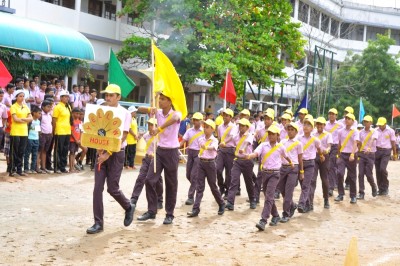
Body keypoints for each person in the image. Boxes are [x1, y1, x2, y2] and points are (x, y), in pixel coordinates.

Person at [86, 84, 135, 234]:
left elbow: (124, 135)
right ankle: (98, 223)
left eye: (111, 95)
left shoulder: (124, 113)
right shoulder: (100, 111)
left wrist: (107, 153)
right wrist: (98, 148)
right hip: (100, 153)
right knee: (97, 189)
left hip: (116, 153)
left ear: (118, 97)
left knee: (112, 188)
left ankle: (128, 206)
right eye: (106, 95)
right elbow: (93, 130)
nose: (108, 98)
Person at [136, 93, 182, 225]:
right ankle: (152, 210)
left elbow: (176, 118)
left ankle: (169, 214)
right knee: (150, 180)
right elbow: (140, 109)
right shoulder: (158, 112)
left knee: (171, 184)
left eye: (163, 99)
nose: (160, 101)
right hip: (160, 151)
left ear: (169, 101)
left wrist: (160, 128)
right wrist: (152, 103)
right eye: (159, 99)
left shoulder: (176, 113)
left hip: (172, 152)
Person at [246, 125, 293, 231]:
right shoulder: (263, 145)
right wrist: (249, 156)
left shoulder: (280, 146)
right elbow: (256, 153)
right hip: (265, 173)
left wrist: (291, 163)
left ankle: (263, 220)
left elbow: (286, 156)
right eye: (269, 134)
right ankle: (275, 215)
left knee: (268, 197)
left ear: (278, 135)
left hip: (275, 174)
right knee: (269, 196)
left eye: (273, 134)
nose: (270, 136)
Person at [187, 119, 225, 217]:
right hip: (201, 163)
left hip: (211, 164)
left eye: (208, 127)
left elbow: (214, 148)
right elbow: (201, 146)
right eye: (205, 127)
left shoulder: (214, 140)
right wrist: (204, 146)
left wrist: (206, 147)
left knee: (213, 186)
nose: (205, 129)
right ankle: (195, 209)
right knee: (200, 187)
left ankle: (221, 203)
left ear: (212, 129)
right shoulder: (200, 139)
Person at [130, 118, 164, 210]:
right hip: (147, 159)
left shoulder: (160, 137)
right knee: (141, 178)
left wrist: (155, 154)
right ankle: (134, 199)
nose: (150, 126)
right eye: (149, 124)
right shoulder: (146, 136)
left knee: (157, 181)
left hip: (157, 161)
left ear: (156, 126)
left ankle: (159, 200)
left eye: (151, 125)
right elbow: (142, 139)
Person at [225, 118, 256, 210]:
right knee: (234, 180)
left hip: (247, 161)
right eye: (240, 125)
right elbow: (233, 142)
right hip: (238, 160)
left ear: (247, 127)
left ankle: (252, 200)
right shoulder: (236, 136)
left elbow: (247, 143)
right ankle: (230, 202)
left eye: (243, 126)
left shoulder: (250, 135)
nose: (240, 127)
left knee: (248, 182)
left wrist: (243, 148)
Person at [275, 122, 303, 223]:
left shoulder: (298, 144)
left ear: (296, 132)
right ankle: (292, 205)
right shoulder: (282, 142)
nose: (290, 132)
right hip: (283, 167)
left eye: (292, 130)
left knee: (288, 192)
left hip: (293, 168)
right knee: (281, 188)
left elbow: (300, 159)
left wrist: (301, 171)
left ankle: (285, 214)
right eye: (289, 130)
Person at [297, 115, 324, 213]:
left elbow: (319, 148)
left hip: (310, 164)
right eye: (305, 124)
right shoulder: (299, 138)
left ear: (312, 128)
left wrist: (321, 155)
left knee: (306, 185)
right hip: (301, 163)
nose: (306, 126)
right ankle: (308, 204)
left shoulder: (315, 140)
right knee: (302, 184)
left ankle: (301, 204)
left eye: (309, 125)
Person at [334, 113, 360, 204]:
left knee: (352, 176)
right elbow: (339, 143)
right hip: (342, 154)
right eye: (346, 118)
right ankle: (340, 194)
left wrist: (352, 154)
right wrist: (338, 155)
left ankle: (353, 196)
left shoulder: (355, 131)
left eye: (349, 119)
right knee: (339, 173)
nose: (347, 120)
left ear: (353, 121)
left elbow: (355, 143)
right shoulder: (340, 131)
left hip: (351, 155)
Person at [180, 112, 204, 205]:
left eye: (197, 120)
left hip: (198, 154)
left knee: (194, 175)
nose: (195, 121)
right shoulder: (189, 131)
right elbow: (183, 140)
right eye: (194, 120)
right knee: (188, 175)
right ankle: (197, 186)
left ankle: (190, 197)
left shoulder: (203, 131)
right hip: (190, 153)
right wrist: (177, 146)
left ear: (201, 121)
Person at [9, 90, 33, 176]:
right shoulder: (13, 107)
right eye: (20, 96)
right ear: (16, 97)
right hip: (15, 131)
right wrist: (25, 119)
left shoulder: (26, 107)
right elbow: (15, 119)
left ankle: (19, 169)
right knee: (14, 151)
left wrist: (22, 119)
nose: (22, 98)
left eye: (23, 96)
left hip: (24, 132)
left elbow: (31, 118)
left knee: (21, 151)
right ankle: (12, 169)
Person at [311, 117, 332, 209]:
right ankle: (310, 201)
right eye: (318, 124)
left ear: (324, 125)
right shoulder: (312, 134)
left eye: (321, 124)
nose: (319, 126)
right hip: (314, 157)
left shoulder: (328, 135)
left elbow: (329, 146)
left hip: (324, 157)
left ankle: (326, 199)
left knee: (325, 179)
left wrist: (327, 150)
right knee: (312, 179)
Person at [216, 108, 237, 196]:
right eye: (224, 115)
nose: (225, 117)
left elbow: (232, 137)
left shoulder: (234, 126)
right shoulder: (220, 126)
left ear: (231, 117)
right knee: (218, 170)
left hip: (230, 150)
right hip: (221, 150)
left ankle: (227, 189)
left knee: (229, 172)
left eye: (227, 115)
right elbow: (220, 138)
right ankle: (221, 187)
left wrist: (225, 142)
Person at [357, 115, 378, 199]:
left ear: (371, 123)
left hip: (370, 154)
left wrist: (369, 147)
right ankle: (361, 192)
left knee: (368, 173)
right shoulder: (361, 132)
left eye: (367, 121)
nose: (365, 123)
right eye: (364, 121)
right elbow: (359, 142)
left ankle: (373, 186)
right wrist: (358, 151)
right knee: (360, 174)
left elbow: (373, 139)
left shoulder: (374, 131)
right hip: (362, 154)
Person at [374, 117, 397, 196]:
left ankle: (385, 187)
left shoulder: (390, 131)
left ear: (385, 124)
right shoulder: (376, 130)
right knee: (377, 170)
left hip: (386, 151)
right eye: (379, 125)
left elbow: (393, 143)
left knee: (382, 169)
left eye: (381, 125)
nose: (380, 126)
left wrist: (394, 154)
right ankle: (380, 189)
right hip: (377, 151)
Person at [324, 108, 343, 196]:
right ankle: (334, 182)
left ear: (336, 115)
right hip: (326, 147)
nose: (331, 115)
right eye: (330, 113)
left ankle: (330, 188)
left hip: (335, 147)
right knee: (327, 167)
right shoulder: (325, 124)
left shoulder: (340, 125)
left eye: (333, 114)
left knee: (331, 165)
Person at [52, 90, 71, 173]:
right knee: (58, 149)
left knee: (65, 150)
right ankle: (57, 166)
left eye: (68, 97)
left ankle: (63, 166)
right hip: (59, 130)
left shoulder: (68, 106)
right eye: (65, 97)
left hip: (67, 130)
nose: (67, 98)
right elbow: (54, 119)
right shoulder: (57, 107)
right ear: (61, 98)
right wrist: (54, 130)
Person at [23, 106, 42, 174]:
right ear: (34, 113)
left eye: (40, 114)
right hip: (29, 138)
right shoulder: (30, 120)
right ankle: (26, 168)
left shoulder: (38, 121)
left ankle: (33, 168)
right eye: (39, 113)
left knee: (35, 154)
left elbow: (37, 130)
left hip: (36, 139)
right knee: (27, 154)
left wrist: (40, 133)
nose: (40, 115)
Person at [39, 101, 53, 173]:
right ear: (43, 107)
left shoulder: (49, 115)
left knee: (45, 151)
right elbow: (37, 124)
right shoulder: (40, 115)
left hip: (49, 135)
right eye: (48, 107)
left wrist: (51, 133)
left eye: (50, 107)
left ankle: (43, 167)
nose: (49, 108)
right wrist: (39, 133)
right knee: (40, 151)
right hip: (42, 135)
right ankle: (37, 167)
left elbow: (50, 124)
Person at [69, 108, 83, 173]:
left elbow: (80, 131)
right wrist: (76, 139)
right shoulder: (72, 121)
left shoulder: (79, 122)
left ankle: (73, 167)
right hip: (72, 140)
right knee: (71, 153)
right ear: (73, 113)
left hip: (77, 140)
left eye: (79, 114)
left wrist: (79, 139)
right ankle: (71, 168)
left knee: (74, 153)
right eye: (76, 113)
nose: (78, 115)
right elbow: (71, 131)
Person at [125, 106, 138, 170]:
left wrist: (137, 135)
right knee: (128, 153)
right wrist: (134, 135)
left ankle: (132, 164)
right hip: (129, 139)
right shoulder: (129, 118)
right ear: (131, 112)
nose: (135, 112)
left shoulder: (134, 119)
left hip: (134, 140)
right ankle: (127, 165)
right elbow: (129, 128)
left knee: (133, 152)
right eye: (134, 111)